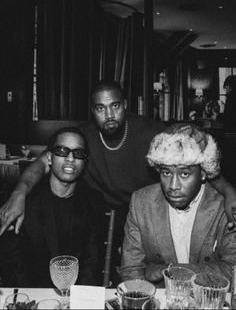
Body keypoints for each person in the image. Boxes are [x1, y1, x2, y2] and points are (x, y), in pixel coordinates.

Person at [0, 81, 236, 277]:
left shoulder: (149, 131)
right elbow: (42, 162)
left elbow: (192, 159)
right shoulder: (84, 137)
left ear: (124, 105)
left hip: (157, 212)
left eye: (115, 106)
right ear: (92, 111)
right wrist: (19, 193)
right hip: (111, 214)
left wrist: (228, 191)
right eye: (100, 109)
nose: (109, 115)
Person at [120, 123, 236, 284]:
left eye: (185, 173)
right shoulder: (141, 202)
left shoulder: (225, 206)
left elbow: (233, 269)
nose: (173, 186)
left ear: (203, 173)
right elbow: (131, 270)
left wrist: (174, 270)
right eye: (166, 173)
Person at [0, 127, 104, 287]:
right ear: (49, 158)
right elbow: (11, 263)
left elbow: (92, 261)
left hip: (74, 295)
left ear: (85, 162)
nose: (70, 158)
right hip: (31, 295)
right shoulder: (23, 201)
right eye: (62, 151)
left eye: (78, 153)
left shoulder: (93, 201)